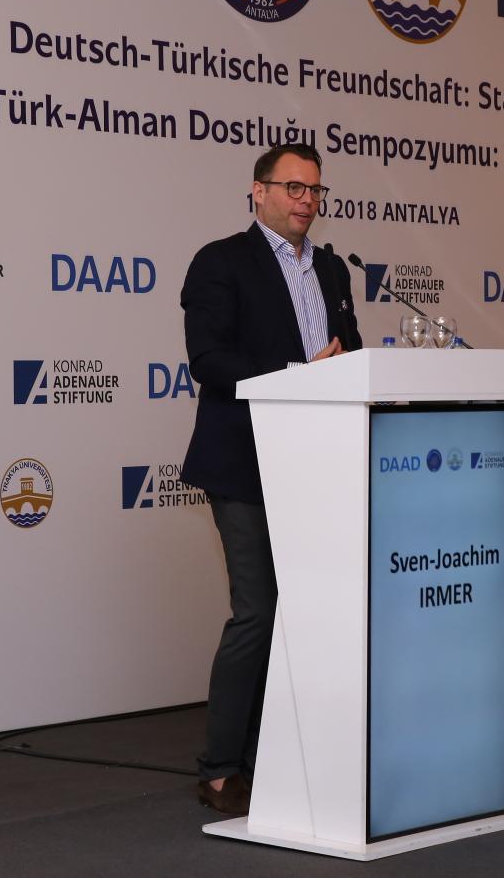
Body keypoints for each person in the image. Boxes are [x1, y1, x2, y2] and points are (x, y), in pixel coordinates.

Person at [180, 143, 361, 815]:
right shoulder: (221, 262)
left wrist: (343, 367)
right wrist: (298, 375)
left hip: (318, 466)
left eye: (315, 190)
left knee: (306, 613)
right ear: (258, 192)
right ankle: (221, 769)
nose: (306, 201)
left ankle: (285, 755)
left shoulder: (332, 269)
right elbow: (209, 360)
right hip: (244, 462)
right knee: (257, 611)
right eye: (293, 188)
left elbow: (349, 352)